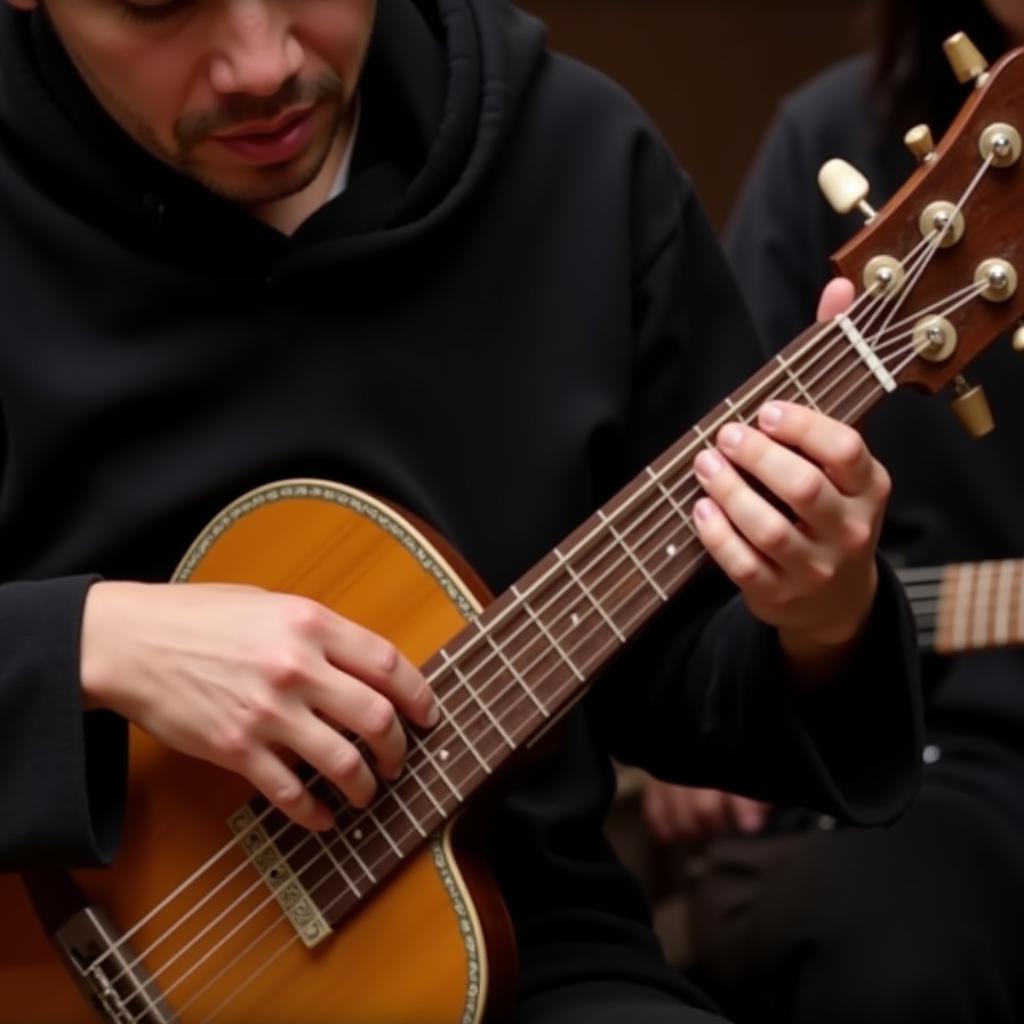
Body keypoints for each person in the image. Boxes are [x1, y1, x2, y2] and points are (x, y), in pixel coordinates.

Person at [0, 1, 921, 1021]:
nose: (260, 65)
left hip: (520, 952)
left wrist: (821, 611)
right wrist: (94, 644)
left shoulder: (572, 159)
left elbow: (687, 690)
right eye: (159, 5)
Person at [643, 1, 1024, 1020]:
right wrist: (721, 681)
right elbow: (705, 535)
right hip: (950, 766)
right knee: (888, 941)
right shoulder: (835, 147)